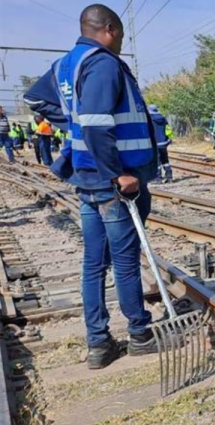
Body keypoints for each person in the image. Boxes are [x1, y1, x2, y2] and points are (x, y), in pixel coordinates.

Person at [24, 4, 159, 369]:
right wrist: (119, 173)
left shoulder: (66, 64)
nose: (121, 43)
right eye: (121, 36)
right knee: (126, 262)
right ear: (110, 29)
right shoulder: (101, 62)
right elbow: (98, 124)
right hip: (114, 180)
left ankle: (98, 344)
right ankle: (139, 334)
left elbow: (36, 99)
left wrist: (73, 124)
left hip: (87, 176)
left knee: (93, 263)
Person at [149, 105, 173, 182]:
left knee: (157, 161)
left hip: (154, 143)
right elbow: (168, 130)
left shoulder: (149, 119)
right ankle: (169, 177)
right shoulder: (163, 118)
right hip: (164, 142)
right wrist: (169, 139)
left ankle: (158, 178)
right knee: (165, 160)